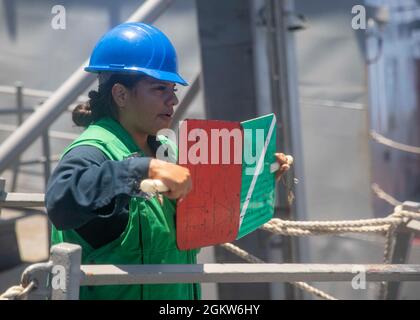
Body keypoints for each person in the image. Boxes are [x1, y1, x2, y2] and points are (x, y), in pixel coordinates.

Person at [45, 22, 291, 300]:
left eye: (172, 89)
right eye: (160, 88)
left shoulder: (167, 151)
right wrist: (143, 169)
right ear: (121, 94)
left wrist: (255, 180)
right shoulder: (92, 151)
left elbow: (206, 216)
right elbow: (60, 201)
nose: (173, 99)